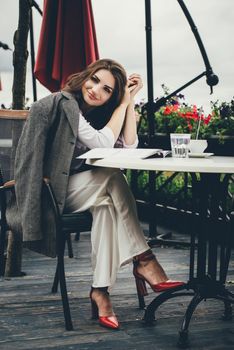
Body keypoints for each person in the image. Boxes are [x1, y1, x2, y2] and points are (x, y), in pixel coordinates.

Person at [12, 59, 184, 330]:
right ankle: (144, 259)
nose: (95, 90)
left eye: (106, 90)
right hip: (51, 194)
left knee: (106, 205)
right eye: (94, 80)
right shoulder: (64, 104)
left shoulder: (100, 116)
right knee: (113, 176)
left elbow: (128, 147)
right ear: (85, 76)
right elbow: (102, 143)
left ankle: (100, 291)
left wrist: (127, 102)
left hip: (83, 191)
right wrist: (122, 101)